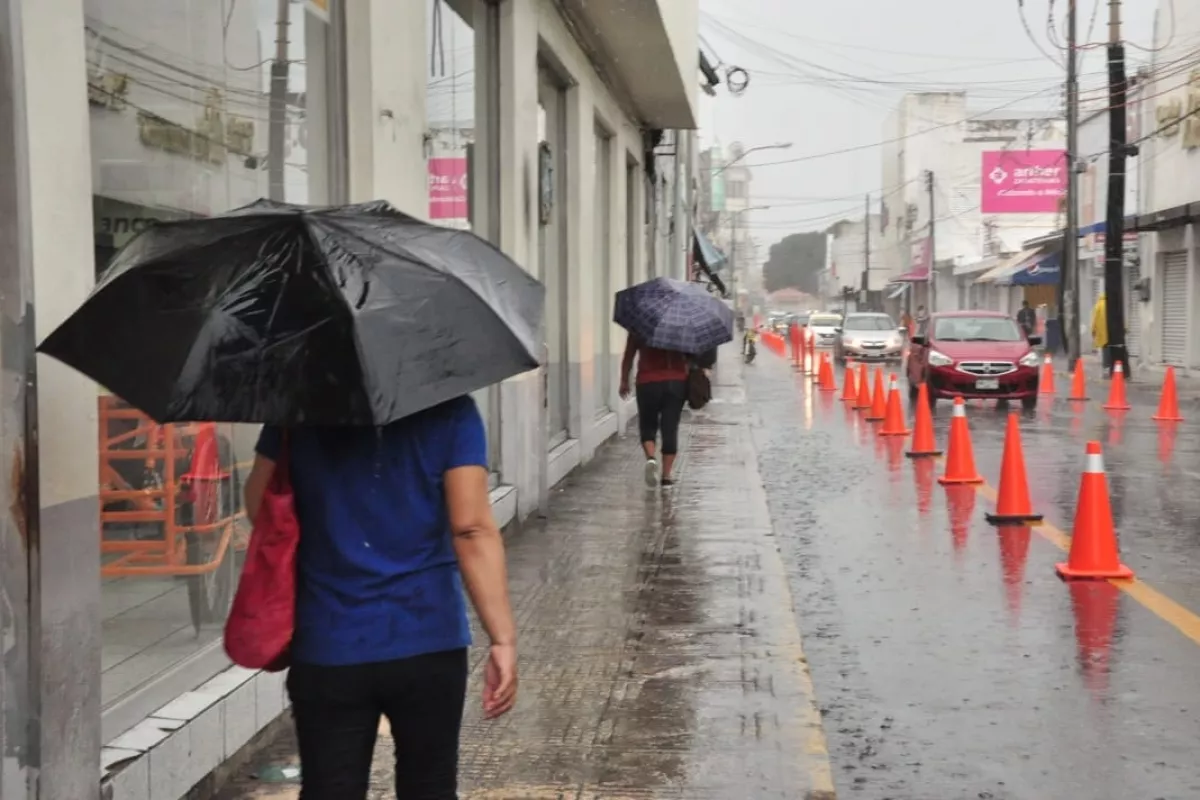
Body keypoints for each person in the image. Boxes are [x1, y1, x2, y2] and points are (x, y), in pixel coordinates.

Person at [243, 396, 517, 799]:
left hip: (329, 642)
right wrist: (503, 639)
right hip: (428, 639)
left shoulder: (295, 411)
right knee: (430, 788)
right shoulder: (450, 409)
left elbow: (260, 506)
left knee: (330, 789)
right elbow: (471, 527)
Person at [619, 333, 688, 488]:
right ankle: (666, 476)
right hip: (675, 382)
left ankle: (651, 458)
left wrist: (624, 380)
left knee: (647, 424)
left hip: (647, 382)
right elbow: (694, 355)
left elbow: (629, 355)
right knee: (670, 427)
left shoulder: (641, 325)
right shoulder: (681, 326)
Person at [1091, 293, 1110, 371]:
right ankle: (1111, 364)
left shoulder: (1098, 305)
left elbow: (1094, 319)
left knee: (1105, 347)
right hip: (1111, 330)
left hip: (1102, 331)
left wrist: (1093, 330)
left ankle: (1106, 365)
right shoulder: (1111, 304)